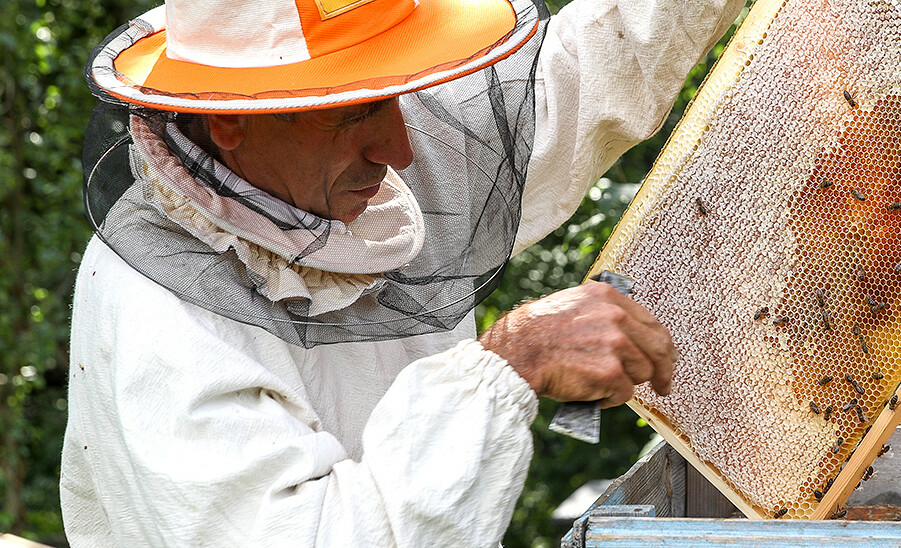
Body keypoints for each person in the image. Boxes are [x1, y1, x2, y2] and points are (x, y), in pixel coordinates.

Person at [61, 0, 743, 544]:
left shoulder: (322, 171)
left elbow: (587, 80)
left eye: (399, 91)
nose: (401, 146)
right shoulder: (163, 319)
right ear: (234, 117)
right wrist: (512, 361)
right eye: (356, 109)